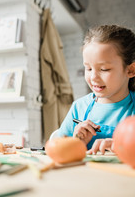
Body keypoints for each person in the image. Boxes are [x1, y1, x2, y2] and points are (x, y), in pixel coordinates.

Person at [54, 25, 135, 154]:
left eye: (104, 69)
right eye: (88, 68)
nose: (93, 77)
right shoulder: (79, 108)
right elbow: (57, 150)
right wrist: (76, 143)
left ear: (130, 70)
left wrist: (122, 147)